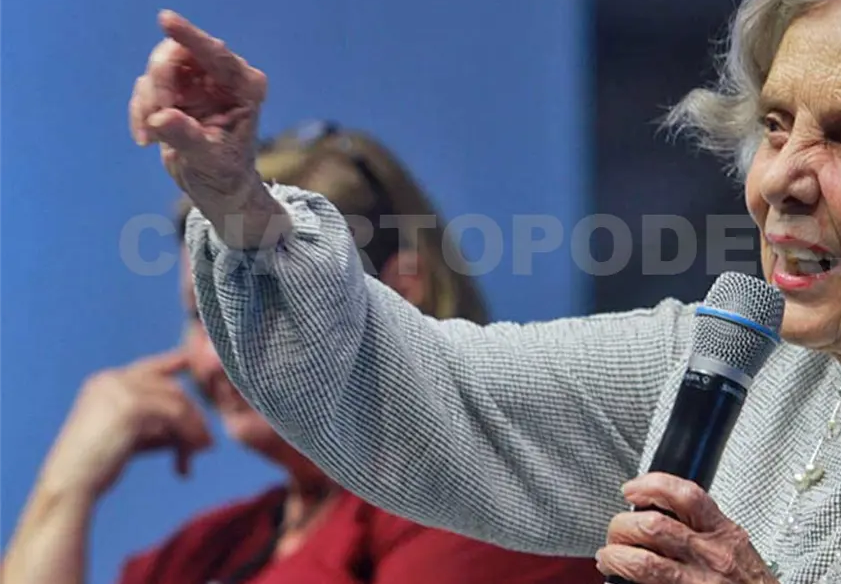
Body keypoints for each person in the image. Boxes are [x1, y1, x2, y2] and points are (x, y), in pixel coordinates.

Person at [127, 0, 841, 581]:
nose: (781, 176)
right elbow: (428, 390)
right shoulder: (737, 365)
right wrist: (236, 197)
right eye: (777, 124)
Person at [1, 123, 604, 584]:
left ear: (401, 290)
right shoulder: (204, 551)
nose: (216, 359)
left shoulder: (483, 502)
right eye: (201, 313)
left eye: (265, 305)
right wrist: (65, 487)